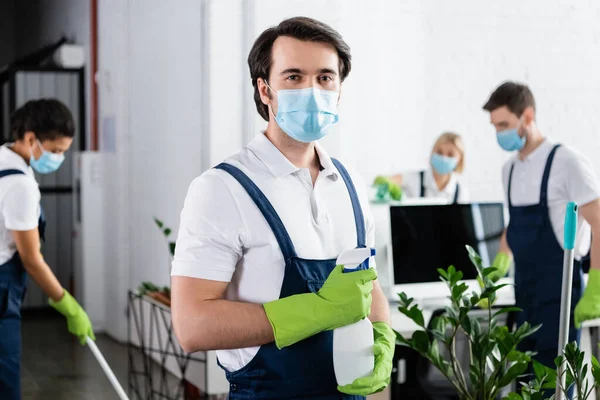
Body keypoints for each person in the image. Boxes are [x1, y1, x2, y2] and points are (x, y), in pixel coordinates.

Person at [171, 17, 394, 399]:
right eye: (293, 77)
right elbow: (192, 326)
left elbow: (367, 285)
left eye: (325, 77)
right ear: (265, 90)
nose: (312, 89)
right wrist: (319, 310)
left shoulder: (351, 185)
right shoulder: (221, 189)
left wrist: (384, 336)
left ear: (339, 90)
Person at [481, 81, 600, 370]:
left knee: (552, 380)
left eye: (505, 124)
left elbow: (599, 222)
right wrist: (498, 263)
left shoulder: (566, 161)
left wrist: (596, 286)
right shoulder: (509, 169)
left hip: (560, 292)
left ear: (528, 117)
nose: (499, 133)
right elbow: (516, 224)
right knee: (522, 379)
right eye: (495, 126)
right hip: (524, 292)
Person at [0, 99, 95, 399]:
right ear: (30, 138)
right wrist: (66, 304)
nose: (58, 159)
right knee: (5, 381)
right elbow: (30, 258)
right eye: (55, 151)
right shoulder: (19, 186)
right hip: (2, 285)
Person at [376, 132, 470, 203]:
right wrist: (389, 189)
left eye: (450, 154)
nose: (444, 158)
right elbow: (381, 182)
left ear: (460, 160)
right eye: (439, 152)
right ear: (432, 152)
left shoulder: (461, 192)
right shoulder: (412, 179)